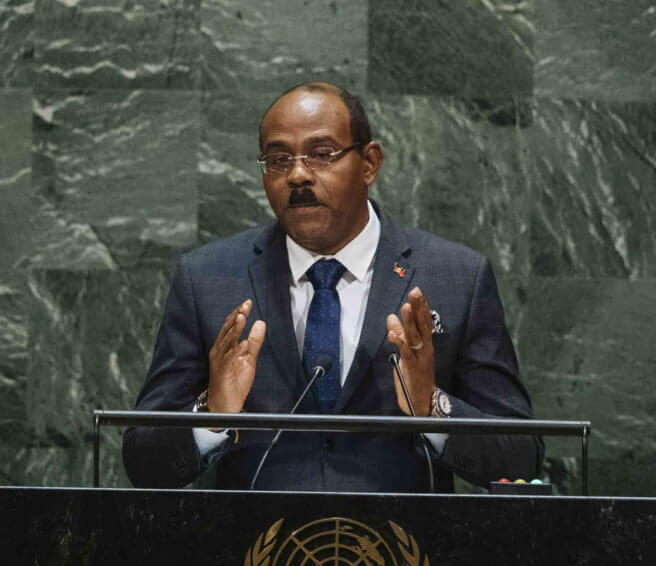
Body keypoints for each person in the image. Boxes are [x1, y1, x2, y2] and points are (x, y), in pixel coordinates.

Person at [122, 82, 543, 492]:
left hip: (404, 554)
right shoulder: (208, 278)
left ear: (369, 164)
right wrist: (211, 414)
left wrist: (433, 408)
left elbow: (521, 457)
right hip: (252, 554)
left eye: (322, 154)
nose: (298, 175)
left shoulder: (456, 277)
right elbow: (143, 461)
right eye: (278, 159)